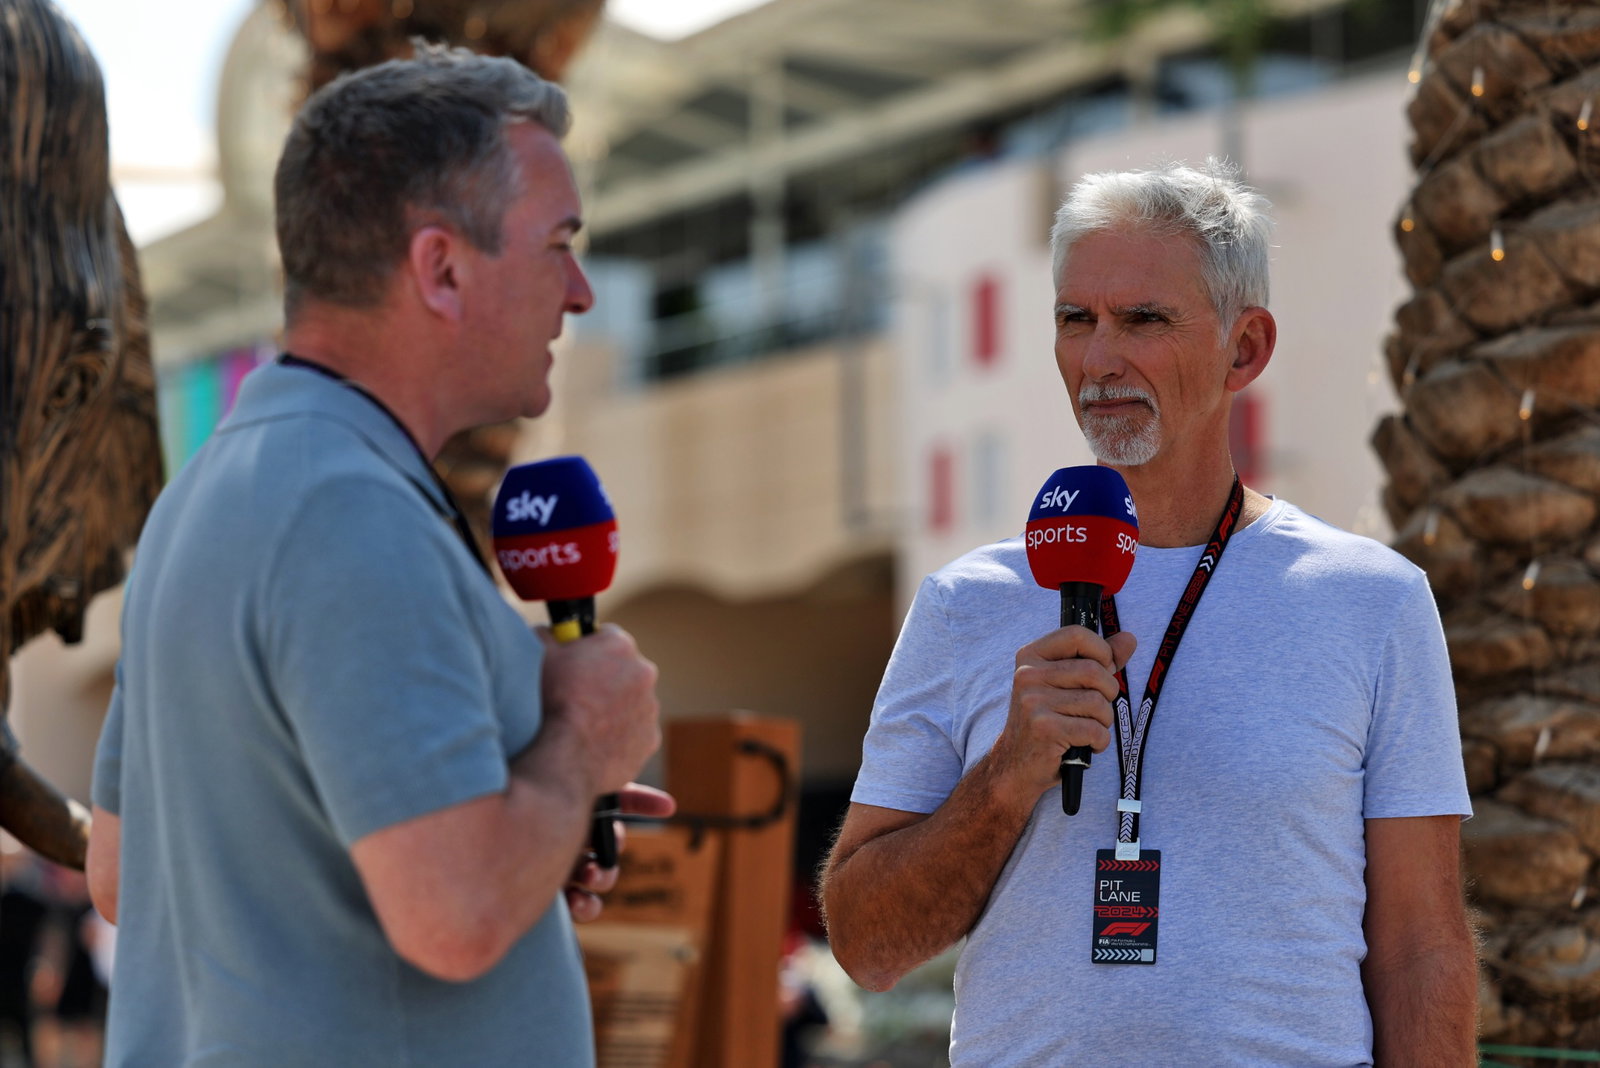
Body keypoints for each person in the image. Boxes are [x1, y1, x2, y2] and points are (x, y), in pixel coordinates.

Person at [84, 45, 668, 1066]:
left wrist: (520, 820)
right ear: (441, 268)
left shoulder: (214, 491)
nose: (578, 292)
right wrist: (580, 742)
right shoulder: (347, 512)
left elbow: (125, 874)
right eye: (557, 244)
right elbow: (453, 914)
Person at [820, 160, 1476, 1066]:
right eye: (1074, 319)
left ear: (1244, 349)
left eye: (1143, 320)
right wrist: (1008, 774)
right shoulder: (966, 605)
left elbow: (1421, 948)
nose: (1099, 359)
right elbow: (866, 946)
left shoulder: (1372, 603)